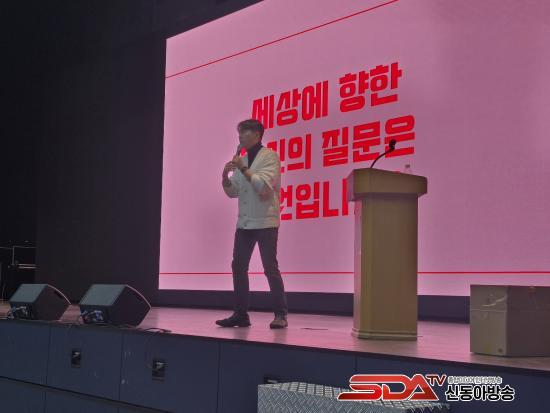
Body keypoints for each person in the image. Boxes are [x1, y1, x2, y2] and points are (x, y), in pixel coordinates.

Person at [216, 119, 288, 329]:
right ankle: (241, 315)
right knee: (238, 266)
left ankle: (280, 314)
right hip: (245, 223)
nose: (240, 137)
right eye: (239, 133)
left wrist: (243, 168)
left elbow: (263, 188)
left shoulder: (270, 156)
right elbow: (233, 192)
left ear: (257, 134)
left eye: (244, 133)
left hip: (265, 221)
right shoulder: (243, 159)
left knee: (270, 268)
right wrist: (225, 176)